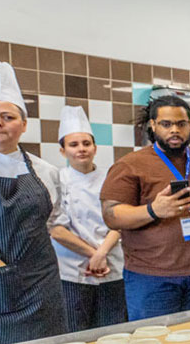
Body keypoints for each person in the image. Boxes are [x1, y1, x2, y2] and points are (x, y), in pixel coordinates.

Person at [0, 61, 66, 343]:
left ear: (23, 125)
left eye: (7, 117)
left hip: (38, 286)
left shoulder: (45, 171)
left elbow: (54, 223)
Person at [102, 96, 190, 321]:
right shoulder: (130, 165)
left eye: (181, 124)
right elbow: (111, 215)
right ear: (153, 125)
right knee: (155, 338)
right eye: (166, 124)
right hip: (152, 278)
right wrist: (153, 210)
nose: (174, 130)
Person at [49, 106, 127, 330]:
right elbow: (56, 229)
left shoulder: (112, 176)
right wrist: (94, 255)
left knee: (113, 333)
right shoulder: (56, 179)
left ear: (95, 147)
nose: (81, 149)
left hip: (113, 269)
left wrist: (102, 254)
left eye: (86, 143)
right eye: (73, 145)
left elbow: (120, 219)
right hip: (72, 272)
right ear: (63, 151)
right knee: (75, 334)